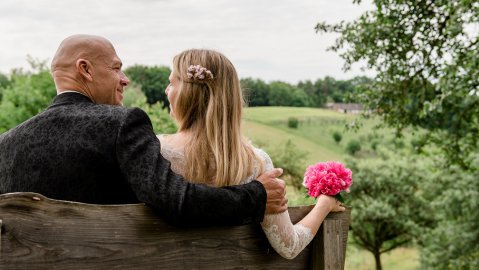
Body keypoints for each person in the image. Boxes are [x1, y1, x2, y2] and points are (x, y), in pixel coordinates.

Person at [0, 34, 288, 227]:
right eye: (116, 68)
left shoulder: (6, 144)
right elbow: (178, 200)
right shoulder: (121, 123)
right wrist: (257, 195)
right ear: (85, 69)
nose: (125, 80)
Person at [158, 49, 345, 259]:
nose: (166, 90)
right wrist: (324, 204)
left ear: (187, 92)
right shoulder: (255, 163)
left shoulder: (154, 152)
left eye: (172, 82)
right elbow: (289, 246)